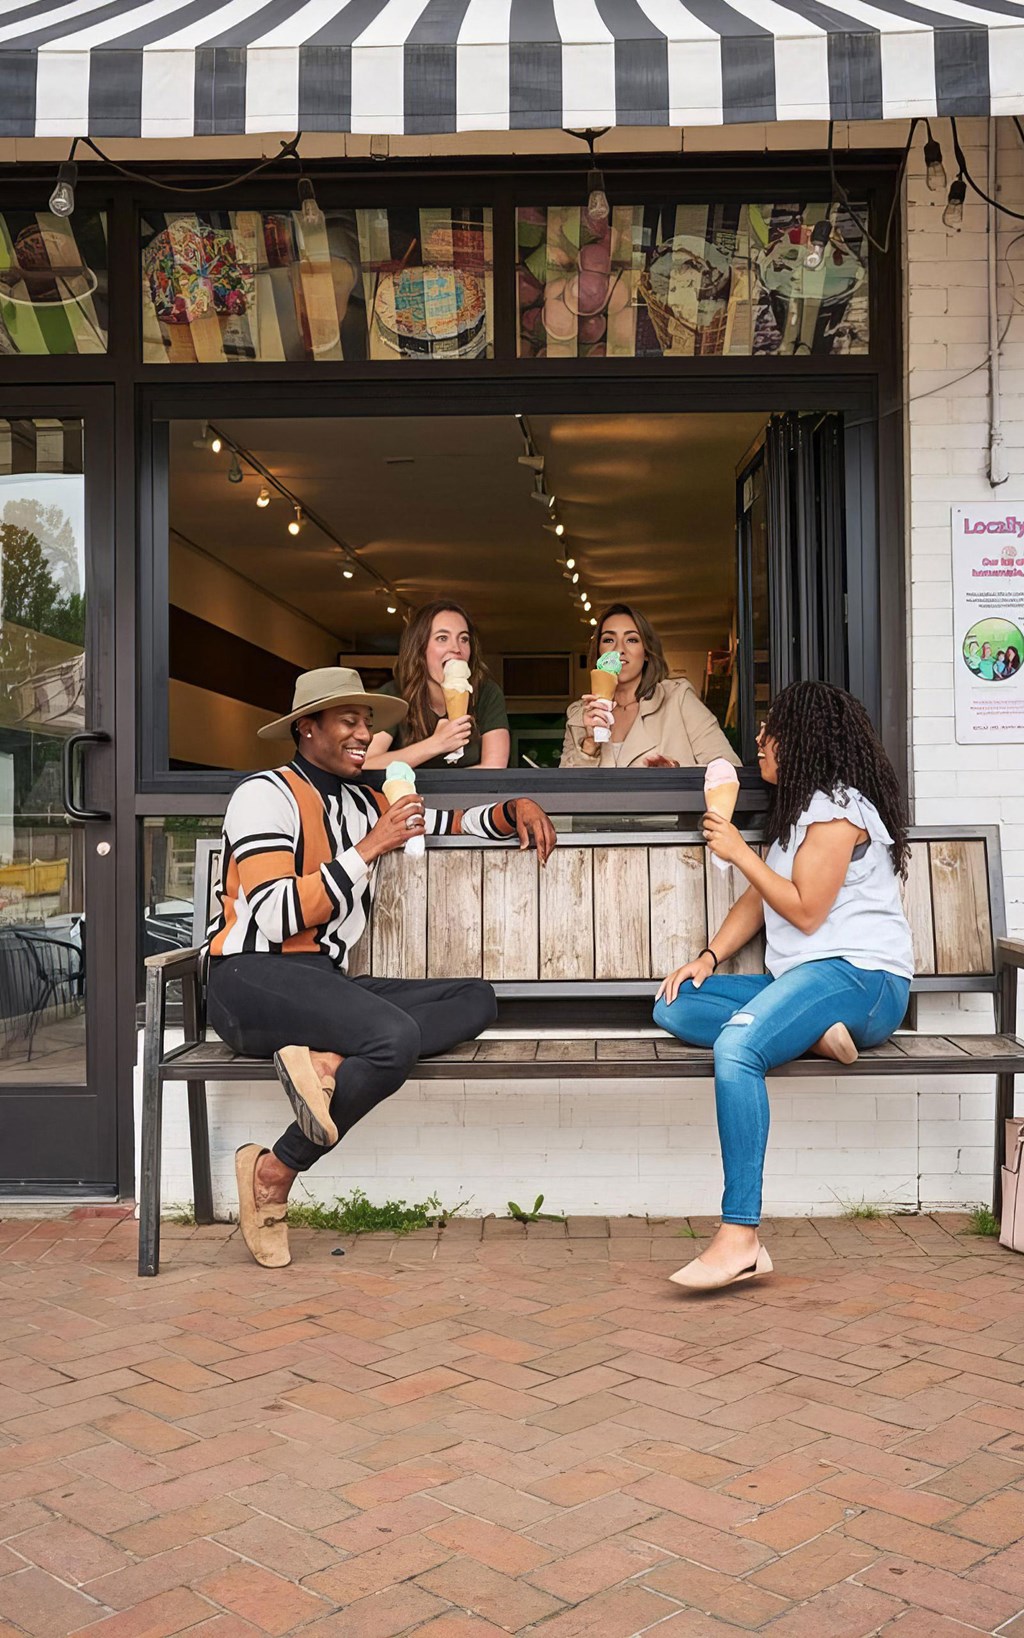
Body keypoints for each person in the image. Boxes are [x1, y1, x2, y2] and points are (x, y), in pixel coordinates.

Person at [205, 666, 555, 1269]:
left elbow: (450, 822)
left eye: (367, 722)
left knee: (477, 998)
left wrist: (513, 806)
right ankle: (276, 1171)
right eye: (350, 720)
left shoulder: (367, 798)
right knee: (394, 1038)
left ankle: (328, 1062)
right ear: (307, 728)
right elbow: (275, 913)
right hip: (249, 979)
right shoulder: (264, 793)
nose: (364, 733)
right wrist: (371, 847)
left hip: (322, 982)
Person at [652, 681, 913, 1293]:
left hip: (862, 979)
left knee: (737, 1050)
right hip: (806, 982)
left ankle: (741, 1236)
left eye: (772, 730)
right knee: (673, 1003)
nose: (760, 741)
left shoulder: (838, 811)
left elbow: (802, 912)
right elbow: (757, 898)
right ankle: (816, 1034)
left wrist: (741, 850)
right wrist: (709, 956)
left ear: (804, 742)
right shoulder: (800, 808)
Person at [560, 603, 739, 769]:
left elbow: (729, 768)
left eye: (632, 640)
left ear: (646, 653)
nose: (619, 649)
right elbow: (563, 794)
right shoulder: (578, 716)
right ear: (599, 651)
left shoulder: (678, 698)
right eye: (608, 640)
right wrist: (589, 746)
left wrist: (677, 775)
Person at [366, 601, 510, 770]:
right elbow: (367, 764)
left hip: (470, 796)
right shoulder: (393, 694)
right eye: (442, 638)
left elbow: (495, 767)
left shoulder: (486, 692)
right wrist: (436, 744)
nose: (457, 648)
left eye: (464, 639)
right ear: (420, 649)